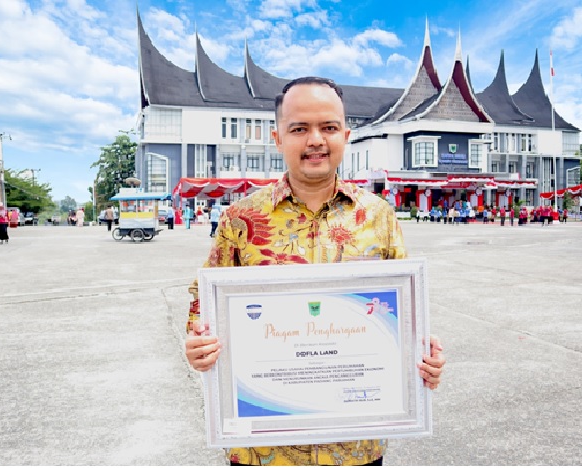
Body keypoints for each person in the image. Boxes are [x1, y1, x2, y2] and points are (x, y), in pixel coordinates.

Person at [184, 76, 445, 466]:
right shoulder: (241, 218)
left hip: (355, 447)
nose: (315, 140)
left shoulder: (378, 216)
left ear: (346, 135)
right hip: (264, 449)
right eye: (299, 128)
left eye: (328, 127)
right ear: (277, 139)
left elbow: (403, 313)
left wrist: (422, 358)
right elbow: (202, 308)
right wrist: (199, 345)